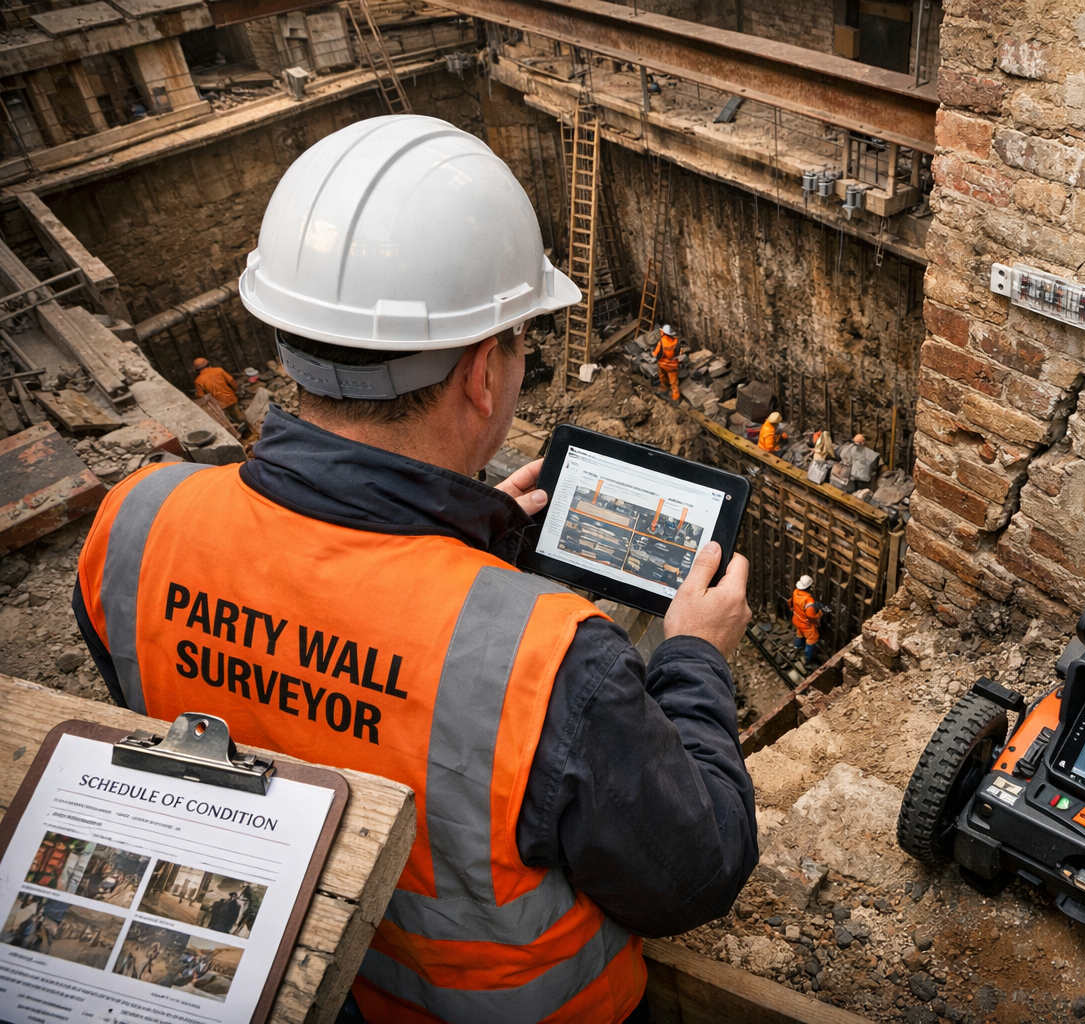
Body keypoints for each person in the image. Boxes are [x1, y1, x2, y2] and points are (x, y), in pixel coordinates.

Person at [73, 116, 757, 1024]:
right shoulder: (552, 663)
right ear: (484, 375)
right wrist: (697, 656)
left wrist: (457, 548)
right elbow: (697, 872)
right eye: (521, 342)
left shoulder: (135, 521)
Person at [790, 575, 823, 667]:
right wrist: (819, 614)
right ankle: (808, 658)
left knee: (799, 633)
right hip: (805, 623)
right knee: (812, 638)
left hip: (796, 619)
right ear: (810, 587)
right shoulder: (808, 600)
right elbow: (810, 615)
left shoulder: (795, 592)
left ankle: (797, 647)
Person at [653, 324, 682, 401]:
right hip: (673, 365)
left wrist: (653, 354)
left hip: (663, 364)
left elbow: (657, 354)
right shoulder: (676, 341)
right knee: (674, 383)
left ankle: (664, 388)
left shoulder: (662, 342)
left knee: (662, 376)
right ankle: (675, 397)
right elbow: (677, 352)